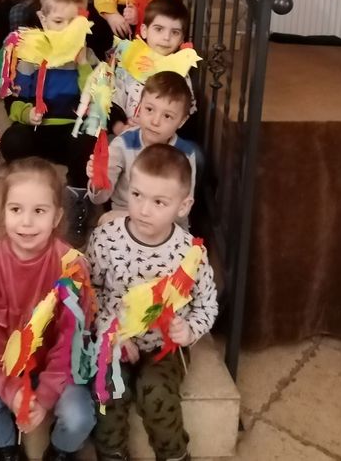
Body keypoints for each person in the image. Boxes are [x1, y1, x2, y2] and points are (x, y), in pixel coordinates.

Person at [87, 146, 218, 461]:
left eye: (159, 202)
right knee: (108, 387)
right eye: (137, 195)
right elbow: (89, 294)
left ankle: (173, 455)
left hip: (165, 347)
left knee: (156, 392)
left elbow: (207, 304)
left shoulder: (190, 252)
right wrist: (110, 333)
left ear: (183, 206)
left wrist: (190, 330)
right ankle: (111, 453)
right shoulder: (105, 239)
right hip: (115, 339)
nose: (144, 210)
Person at [0, 158, 96, 461]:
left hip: (61, 367)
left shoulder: (71, 266)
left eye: (39, 211)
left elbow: (71, 340)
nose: (26, 222)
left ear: (56, 216)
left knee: (78, 417)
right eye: (16, 210)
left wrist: (46, 395)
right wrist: (12, 391)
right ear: (3, 213)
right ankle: (7, 450)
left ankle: (60, 452)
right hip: (8, 366)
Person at [0, 0, 98, 245]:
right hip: (38, 130)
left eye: (73, 23)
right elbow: (14, 100)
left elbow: (96, 99)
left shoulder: (87, 55)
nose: (65, 29)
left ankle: (77, 202)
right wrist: (26, 112)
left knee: (88, 141)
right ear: (43, 20)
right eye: (58, 21)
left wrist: (83, 65)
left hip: (71, 131)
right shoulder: (31, 54)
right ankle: (20, 196)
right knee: (12, 139)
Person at [86, 72, 197, 221]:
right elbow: (99, 199)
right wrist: (98, 181)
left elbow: (183, 209)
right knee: (106, 220)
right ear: (139, 107)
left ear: (182, 121)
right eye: (149, 109)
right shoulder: (123, 143)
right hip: (126, 215)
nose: (155, 121)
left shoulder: (186, 154)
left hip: (166, 221)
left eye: (167, 116)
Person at [110, 0, 195, 134]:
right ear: (144, 31)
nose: (166, 37)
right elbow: (113, 101)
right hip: (127, 133)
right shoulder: (129, 62)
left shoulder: (180, 72)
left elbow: (186, 117)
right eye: (159, 29)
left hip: (162, 139)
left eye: (175, 32)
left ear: (181, 39)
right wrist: (120, 127)